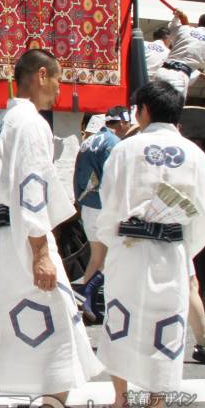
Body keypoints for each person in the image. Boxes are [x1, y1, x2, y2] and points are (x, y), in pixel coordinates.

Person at [0, 50, 102, 408]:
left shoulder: (2, 121)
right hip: (23, 239)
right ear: (41, 75)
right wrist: (42, 251)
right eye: (59, 80)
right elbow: (31, 188)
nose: (60, 91)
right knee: (62, 327)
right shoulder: (29, 122)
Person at [95, 79, 205, 408]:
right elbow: (204, 216)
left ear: (143, 110)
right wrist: (183, 251)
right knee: (167, 327)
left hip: (129, 249)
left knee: (121, 322)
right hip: (172, 251)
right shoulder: (194, 154)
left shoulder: (127, 149)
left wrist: (110, 241)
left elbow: (110, 204)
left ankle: (121, 401)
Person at [71, 106, 131, 322]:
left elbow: (76, 172)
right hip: (105, 207)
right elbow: (113, 178)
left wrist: (78, 200)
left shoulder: (87, 142)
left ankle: (87, 304)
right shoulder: (114, 144)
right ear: (122, 123)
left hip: (88, 205)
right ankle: (90, 295)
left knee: (97, 258)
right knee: (115, 257)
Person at [153, 11, 205, 96]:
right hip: (177, 79)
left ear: (199, 23)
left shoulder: (185, 30)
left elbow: (171, 28)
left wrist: (177, 17)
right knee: (168, 109)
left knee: (150, 107)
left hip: (160, 72)